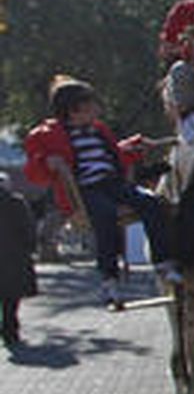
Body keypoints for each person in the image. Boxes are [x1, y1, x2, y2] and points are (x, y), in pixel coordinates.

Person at [24, 75, 176, 305]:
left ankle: (163, 260)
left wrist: (134, 145)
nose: (97, 109)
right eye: (91, 106)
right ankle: (109, 277)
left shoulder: (98, 131)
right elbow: (34, 170)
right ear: (74, 111)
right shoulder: (49, 136)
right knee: (105, 216)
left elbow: (115, 154)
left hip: (112, 183)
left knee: (152, 203)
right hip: (86, 189)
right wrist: (48, 162)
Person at [0, 177, 37, 349]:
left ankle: (8, 328)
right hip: (14, 256)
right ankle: (10, 329)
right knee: (11, 298)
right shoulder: (17, 202)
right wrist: (30, 248)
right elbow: (28, 227)